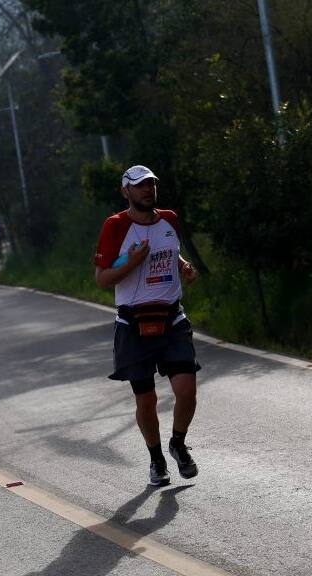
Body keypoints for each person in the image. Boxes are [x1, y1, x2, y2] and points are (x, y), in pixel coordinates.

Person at [94, 165, 200, 487]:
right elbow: (101, 279)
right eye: (140, 186)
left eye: (151, 184)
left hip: (171, 317)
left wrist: (183, 267)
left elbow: (170, 252)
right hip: (133, 324)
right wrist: (132, 263)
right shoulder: (115, 226)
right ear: (126, 191)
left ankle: (178, 444)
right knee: (147, 400)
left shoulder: (169, 219)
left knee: (187, 390)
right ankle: (156, 458)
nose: (147, 190)